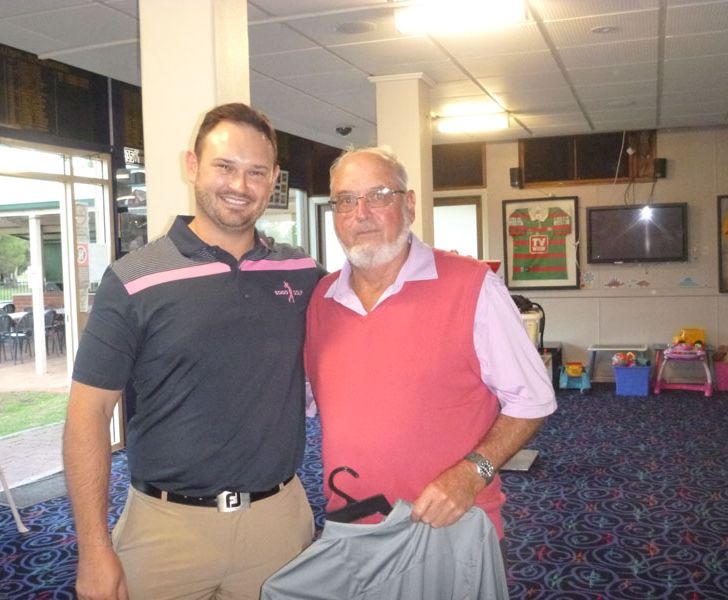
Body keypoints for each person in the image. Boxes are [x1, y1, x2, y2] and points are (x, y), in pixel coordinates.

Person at [63, 103, 324, 600]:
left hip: (278, 525)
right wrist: (93, 547)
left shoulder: (302, 272)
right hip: (165, 531)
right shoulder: (132, 278)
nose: (240, 185)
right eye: (224, 166)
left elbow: (369, 305)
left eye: (256, 172)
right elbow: (87, 413)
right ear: (192, 166)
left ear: (273, 181)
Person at [304, 146, 557, 560]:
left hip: (450, 532)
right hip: (350, 532)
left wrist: (472, 474)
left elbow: (533, 399)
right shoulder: (322, 299)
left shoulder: (472, 286)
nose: (361, 213)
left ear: (409, 204)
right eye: (345, 200)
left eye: (378, 195)